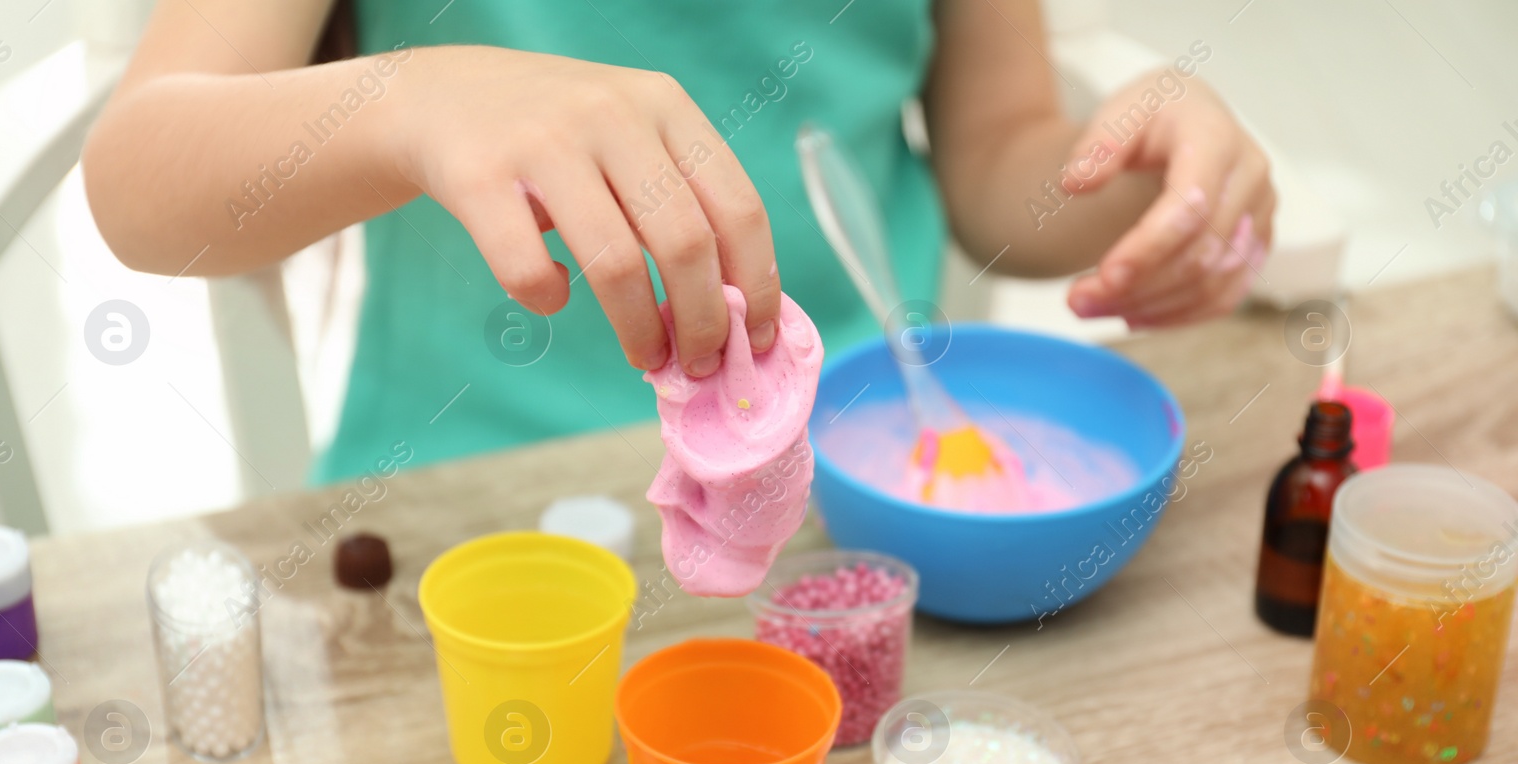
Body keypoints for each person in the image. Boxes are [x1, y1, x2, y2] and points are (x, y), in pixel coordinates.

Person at [83, 0, 1273, 483]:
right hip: (470, 504)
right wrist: (407, 100)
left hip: (862, 476)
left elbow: (997, 156)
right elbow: (139, 179)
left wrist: (1138, 180)